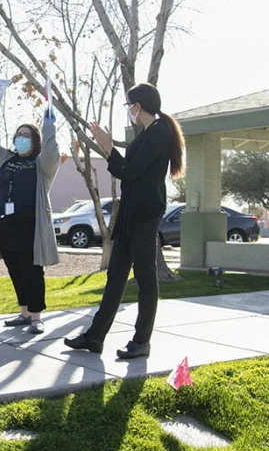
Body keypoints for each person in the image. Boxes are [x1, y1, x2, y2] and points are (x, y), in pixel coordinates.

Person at [64, 82, 185, 359]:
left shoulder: (159, 133)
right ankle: (95, 337)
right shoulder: (147, 133)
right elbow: (131, 172)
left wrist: (108, 149)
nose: (128, 110)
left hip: (144, 215)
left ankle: (142, 341)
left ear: (138, 106)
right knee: (115, 277)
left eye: (129, 105)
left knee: (145, 277)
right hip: (130, 214)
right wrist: (108, 148)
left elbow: (129, 172)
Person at [0, 105, 60, 334]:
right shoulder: (5, 157)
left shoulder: (42, 164)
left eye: (26, 135)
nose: (21, 139)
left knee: (32, 271)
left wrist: (49, 126)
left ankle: (36, 317)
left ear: (35, 141)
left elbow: (53, 152)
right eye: (18, 135)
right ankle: (23, 313)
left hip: (30, 228)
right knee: (15, 270)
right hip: (4, 227)